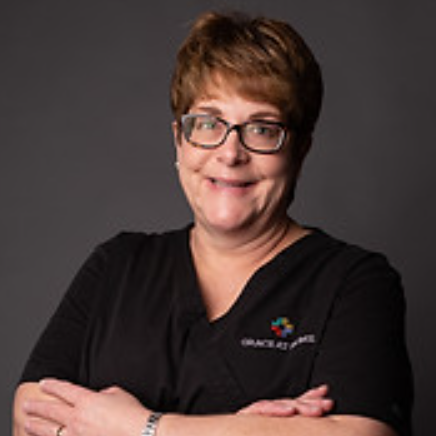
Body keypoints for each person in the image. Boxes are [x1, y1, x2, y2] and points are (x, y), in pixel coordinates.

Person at [13, 10, 413, 436]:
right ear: (179, 140)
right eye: (207, 123)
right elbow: (29, 413)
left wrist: (145, 428)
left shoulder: (353, 283)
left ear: (300, 150)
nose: (230, 153)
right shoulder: (117, 265)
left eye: (261, 128)